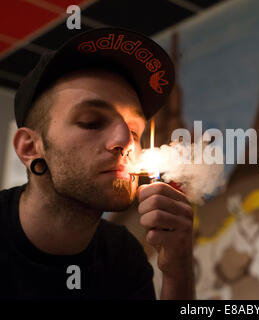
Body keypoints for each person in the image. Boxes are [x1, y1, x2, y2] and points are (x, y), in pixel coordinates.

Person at [0, 27, 194, 300]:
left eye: (135, 131)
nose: (125, 142)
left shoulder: (122, 256)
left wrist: (178, 270)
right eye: (91, 122)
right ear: (30, 148)